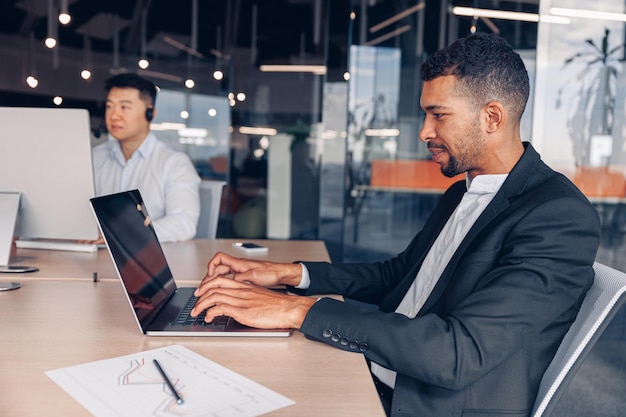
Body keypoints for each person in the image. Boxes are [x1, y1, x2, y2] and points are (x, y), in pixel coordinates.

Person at [191, 33, 602, 417]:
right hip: (376, 368)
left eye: (438, 115)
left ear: (492, 117)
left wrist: (299, 311)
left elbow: (456, 353)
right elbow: (400, 276)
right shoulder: (464, 192)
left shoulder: (558, 216)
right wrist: (289, 274)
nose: (425, 131)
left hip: (421, 402)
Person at [92, 73, 200, 242]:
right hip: (95, 255)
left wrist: (124, 234)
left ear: (150, 113)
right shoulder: (95, 158)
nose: (114, 115)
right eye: (109, 106)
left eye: (125, 107)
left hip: (149, 258)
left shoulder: (174, 163)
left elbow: (184, 223)